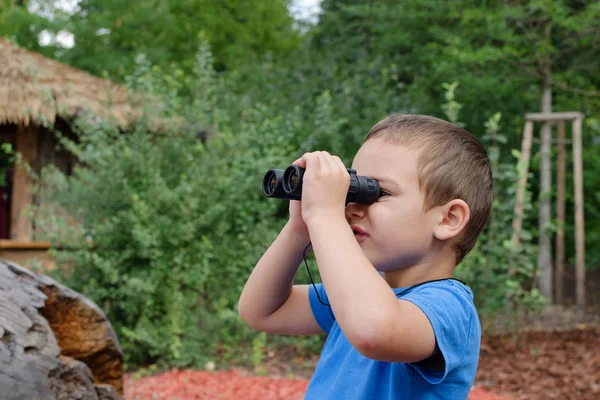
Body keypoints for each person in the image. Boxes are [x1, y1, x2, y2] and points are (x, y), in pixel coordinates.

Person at [238, 114, 493, 399]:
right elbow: (261, 311)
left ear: (448, 219)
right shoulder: (356, 298)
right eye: (351, 190)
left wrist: (324, 213)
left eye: (377, 192)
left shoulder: (449, 307)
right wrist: (300, 229)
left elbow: (374, 330)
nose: (352, 208)